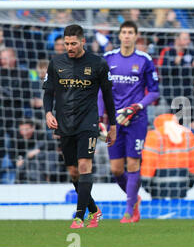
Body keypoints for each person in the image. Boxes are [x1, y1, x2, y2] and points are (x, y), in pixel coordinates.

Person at [43, 24, 117, 229]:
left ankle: (79, 216)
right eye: (66, 43)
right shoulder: (56, 63)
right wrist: (48, 112)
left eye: (73, 43)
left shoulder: (98, 64)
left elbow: (109, 97)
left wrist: (113, 125)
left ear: (83, 41)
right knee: (74, 172)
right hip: (65, 123)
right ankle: (94, 210)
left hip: (89, 122)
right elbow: (48, 92)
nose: (69, 47)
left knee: (85, 166)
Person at [98, 20, 159, 223]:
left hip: (137, 120)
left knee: (133, 164)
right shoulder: (107, 59)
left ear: (136, 36)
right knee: (116, 169)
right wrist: (99, 117)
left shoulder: (144, 60)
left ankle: (129, 209)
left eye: (130, 32)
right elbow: (100, 91)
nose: (126, 35)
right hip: (114, 122)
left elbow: (155, 92)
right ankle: (135, 198)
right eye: (123, 32)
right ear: (119, 35)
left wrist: (137, 106)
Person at [141, 113, 194, 198]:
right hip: (182, 181)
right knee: (179, 209)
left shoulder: (154, 135)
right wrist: (192, 180)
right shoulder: (187, 134)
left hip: (158, 183)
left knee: (160, 209)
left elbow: (149, 162)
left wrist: (146, 183)